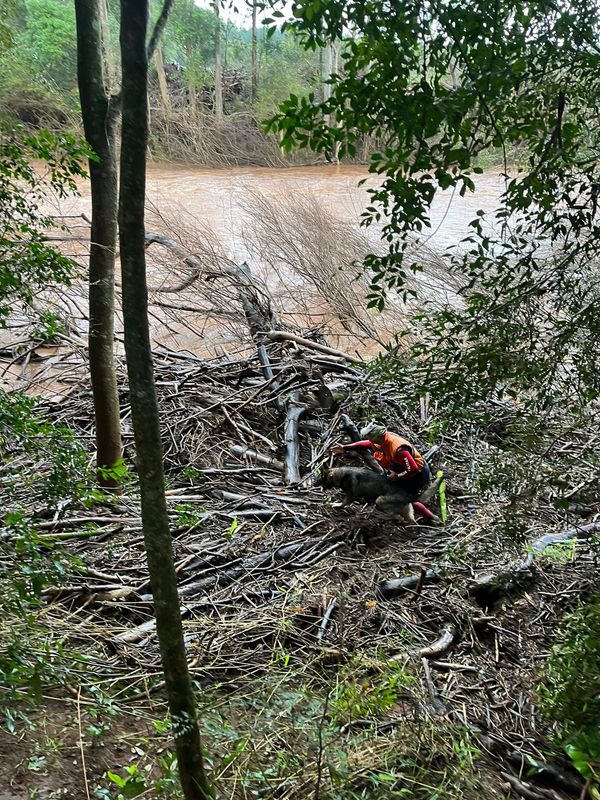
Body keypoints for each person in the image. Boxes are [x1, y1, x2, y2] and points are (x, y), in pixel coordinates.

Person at [331, 421, 436, 521]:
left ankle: (431, 518)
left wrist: (397, 477)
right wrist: (345, 448)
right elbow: (366, 444)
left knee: (405, 497)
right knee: (398, 495)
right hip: (400, 470)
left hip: (416, 474)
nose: (367, 437)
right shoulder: (381, 441)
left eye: (369, 435)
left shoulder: (399, 449)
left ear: (377, 436)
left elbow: (412, 468)